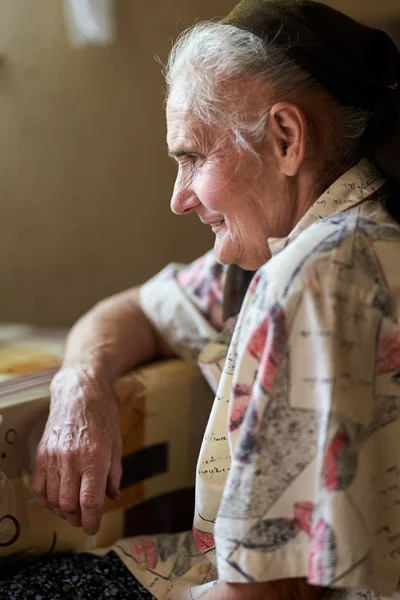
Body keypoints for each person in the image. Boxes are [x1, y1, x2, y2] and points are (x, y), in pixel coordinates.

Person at [4, 0, 400, 598]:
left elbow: (274, 593)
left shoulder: (316, 276)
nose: (178, 198)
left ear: (286, 139)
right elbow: (135, 310)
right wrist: (79, 384)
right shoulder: (296, 247)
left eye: (191, 157)